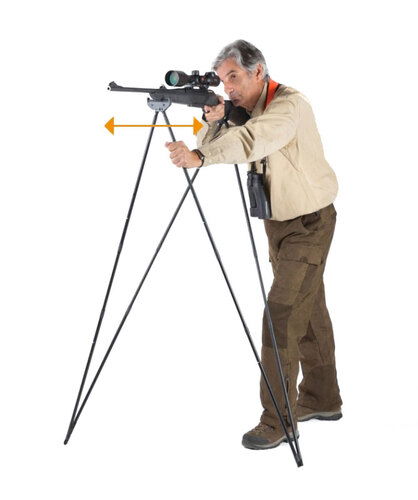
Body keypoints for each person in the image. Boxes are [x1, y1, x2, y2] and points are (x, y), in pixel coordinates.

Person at [165, 39, 343, 450]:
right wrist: (214, 119)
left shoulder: (287, 106)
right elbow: (219, 139)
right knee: (309, 310)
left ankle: (278, 420)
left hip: (309, 224)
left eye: (234, 77)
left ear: (258, 71)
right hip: (278, 225)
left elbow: (253, 140)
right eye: (222, 80)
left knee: (280, 316)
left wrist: (199, 156)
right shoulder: (246, 109)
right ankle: (322, 399)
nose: (227, 87)